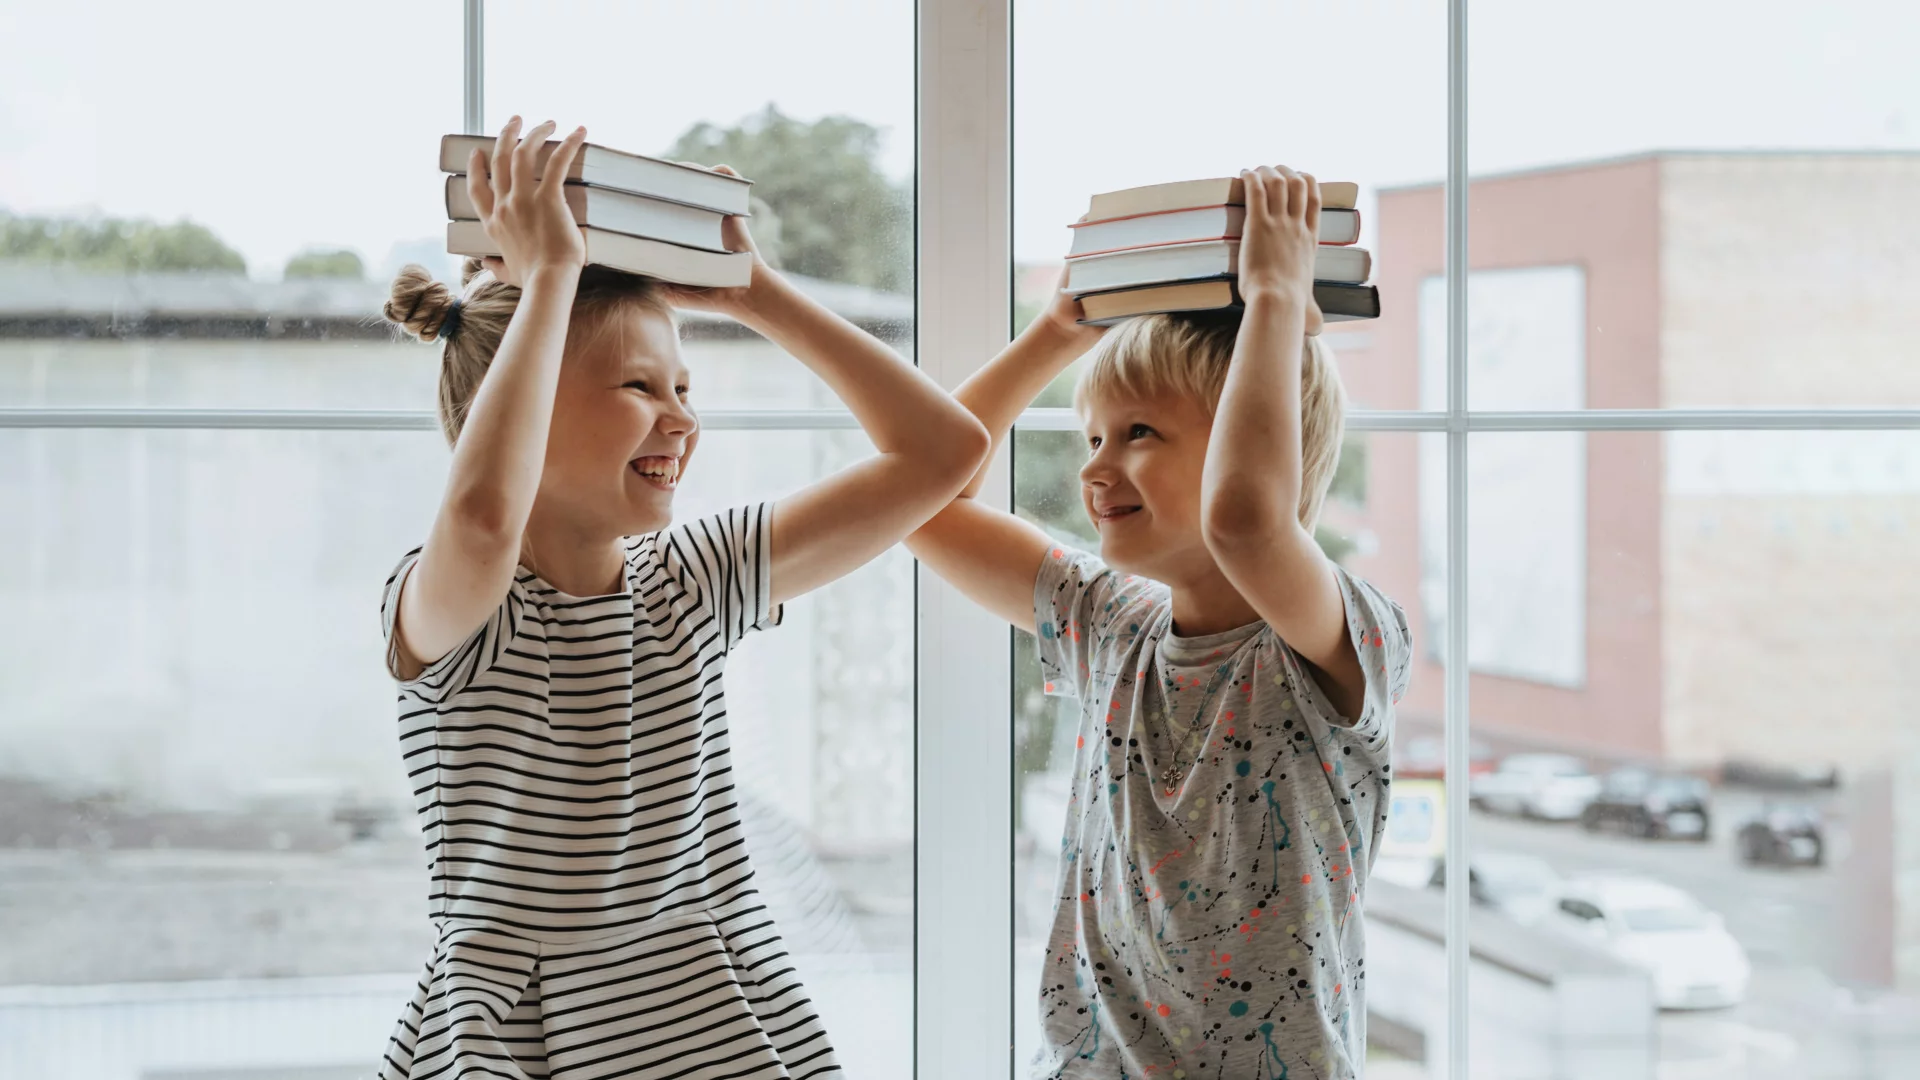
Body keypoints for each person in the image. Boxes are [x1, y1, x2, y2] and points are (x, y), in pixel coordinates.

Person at [375, 117, 989, 1080]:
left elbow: (945, 455)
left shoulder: (696, 580)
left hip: (713, 1015)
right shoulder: (455, 609)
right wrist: (546, 282)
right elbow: (490, 515)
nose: (683, 417)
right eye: (638, 385)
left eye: (685, 386)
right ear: (521, 401)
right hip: (518, 1039)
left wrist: (763, 298)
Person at [907, 166, 1411, 1078]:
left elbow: (1249, 523)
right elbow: (919, 501)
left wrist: (1274, 298)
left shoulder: (1337, 636)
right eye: (1091, 437)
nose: (1096, 470)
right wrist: (1055, 335)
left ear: (1254, 447)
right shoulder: (1110, 620)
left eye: (1140, 434)